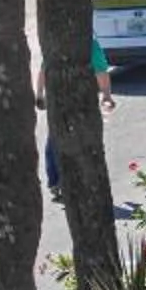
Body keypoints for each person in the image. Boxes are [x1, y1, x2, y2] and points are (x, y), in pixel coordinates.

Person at [39, 38, 114, 200]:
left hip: (58, 99)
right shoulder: (89, 44)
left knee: (55, 139)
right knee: (83, 140)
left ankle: (56, 182)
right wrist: (106, 95)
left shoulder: (54, 39)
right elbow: (101, 71)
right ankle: (80, 180)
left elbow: (44, 69)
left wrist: (40, 94)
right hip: (81, 100)